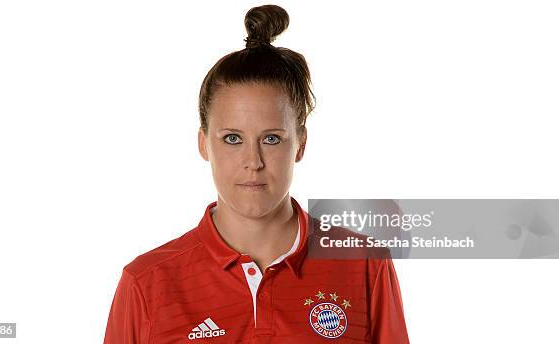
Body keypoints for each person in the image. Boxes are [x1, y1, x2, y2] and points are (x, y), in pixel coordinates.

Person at [103, 4, 409, 343]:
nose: (253, 160)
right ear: (204, 144)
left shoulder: (364, 266)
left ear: (301, 144)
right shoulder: (147, 283)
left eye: (272, 139)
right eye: (232, 139)